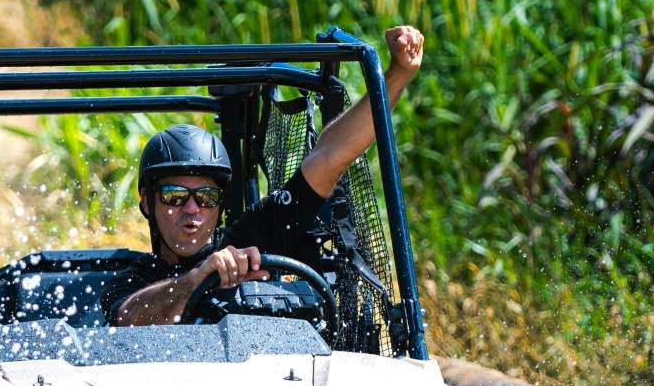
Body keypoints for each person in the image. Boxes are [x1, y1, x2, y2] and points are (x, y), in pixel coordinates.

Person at [105, 25, 424, 326]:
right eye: (174, 196)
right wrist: (199, 277)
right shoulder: (133, 281)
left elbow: (330, 157)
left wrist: (397, 74)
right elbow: (126, 320)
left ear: (220, 204)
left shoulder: (249, 238)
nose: (192, 209)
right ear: (148, 202)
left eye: (206, 197)